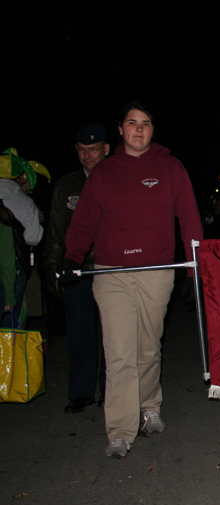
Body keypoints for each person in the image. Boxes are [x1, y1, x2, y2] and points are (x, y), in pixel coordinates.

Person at [61, 102, 203, 458]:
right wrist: (70, 258)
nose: (139, 129)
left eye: (146, 124)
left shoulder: (171, 167)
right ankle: (120, 431)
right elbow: (84, 223)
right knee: (119, 353)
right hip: (112, 275)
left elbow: (189, 218)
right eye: (132, 123)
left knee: (148, 347)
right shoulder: (104, 173)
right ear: (120, 130)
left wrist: (193, 268)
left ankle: (149, 405)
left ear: (152, 130)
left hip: (156, 273)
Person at [43, 123, 109, 413]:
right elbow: (55, 232)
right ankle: (81, 393)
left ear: (105, 149)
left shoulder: (118, 179)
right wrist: (51, 271)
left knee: (113, 336)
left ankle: (112, 391)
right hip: (77, 273)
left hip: (109, 270)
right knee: (80, 335)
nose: (88, 156)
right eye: (82, 150)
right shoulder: (67, 185)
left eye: (93, 149)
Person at [0, 148, 48, 326]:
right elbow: (33, 238)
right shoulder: (25, 202)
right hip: (13, 267)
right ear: (20, 177)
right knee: (9, 321)